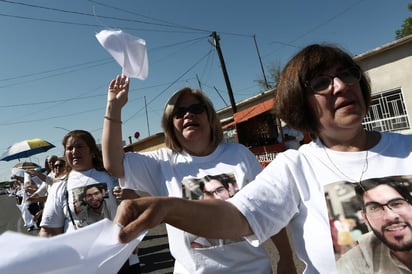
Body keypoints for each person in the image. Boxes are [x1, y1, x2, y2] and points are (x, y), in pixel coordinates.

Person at [111, 43, 412, 273]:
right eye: (321, 83)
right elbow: (239, 215)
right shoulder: (296, 166)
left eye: (348, 74)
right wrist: (166, 206)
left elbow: (269, 222)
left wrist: (283, 257)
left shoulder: (238, 154)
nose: (342, 85)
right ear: (299, 102)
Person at [102, 77, 297, 273]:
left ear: (210, 118)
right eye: (179, 113)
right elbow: (114, 164)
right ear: (171, 125)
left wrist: (286, 257)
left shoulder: (239, 155)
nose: (188, 115)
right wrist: (114, 106)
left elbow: (268, 209)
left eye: (196, 109)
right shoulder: (161, 163)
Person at [39, 130, 141, 274]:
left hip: (120, 258)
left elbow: (141, 208)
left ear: (92, 151)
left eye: (79, 146)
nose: (74, 151)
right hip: (82, 264)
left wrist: (133, 197)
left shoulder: (113, 177)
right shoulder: (60, 186)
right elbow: (49, 229)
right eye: (69, 148)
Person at [337, 176, 412, 273]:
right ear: (365, 218)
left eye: (396, 203)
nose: (390, 216)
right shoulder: (356, 261)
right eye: (375, 208)